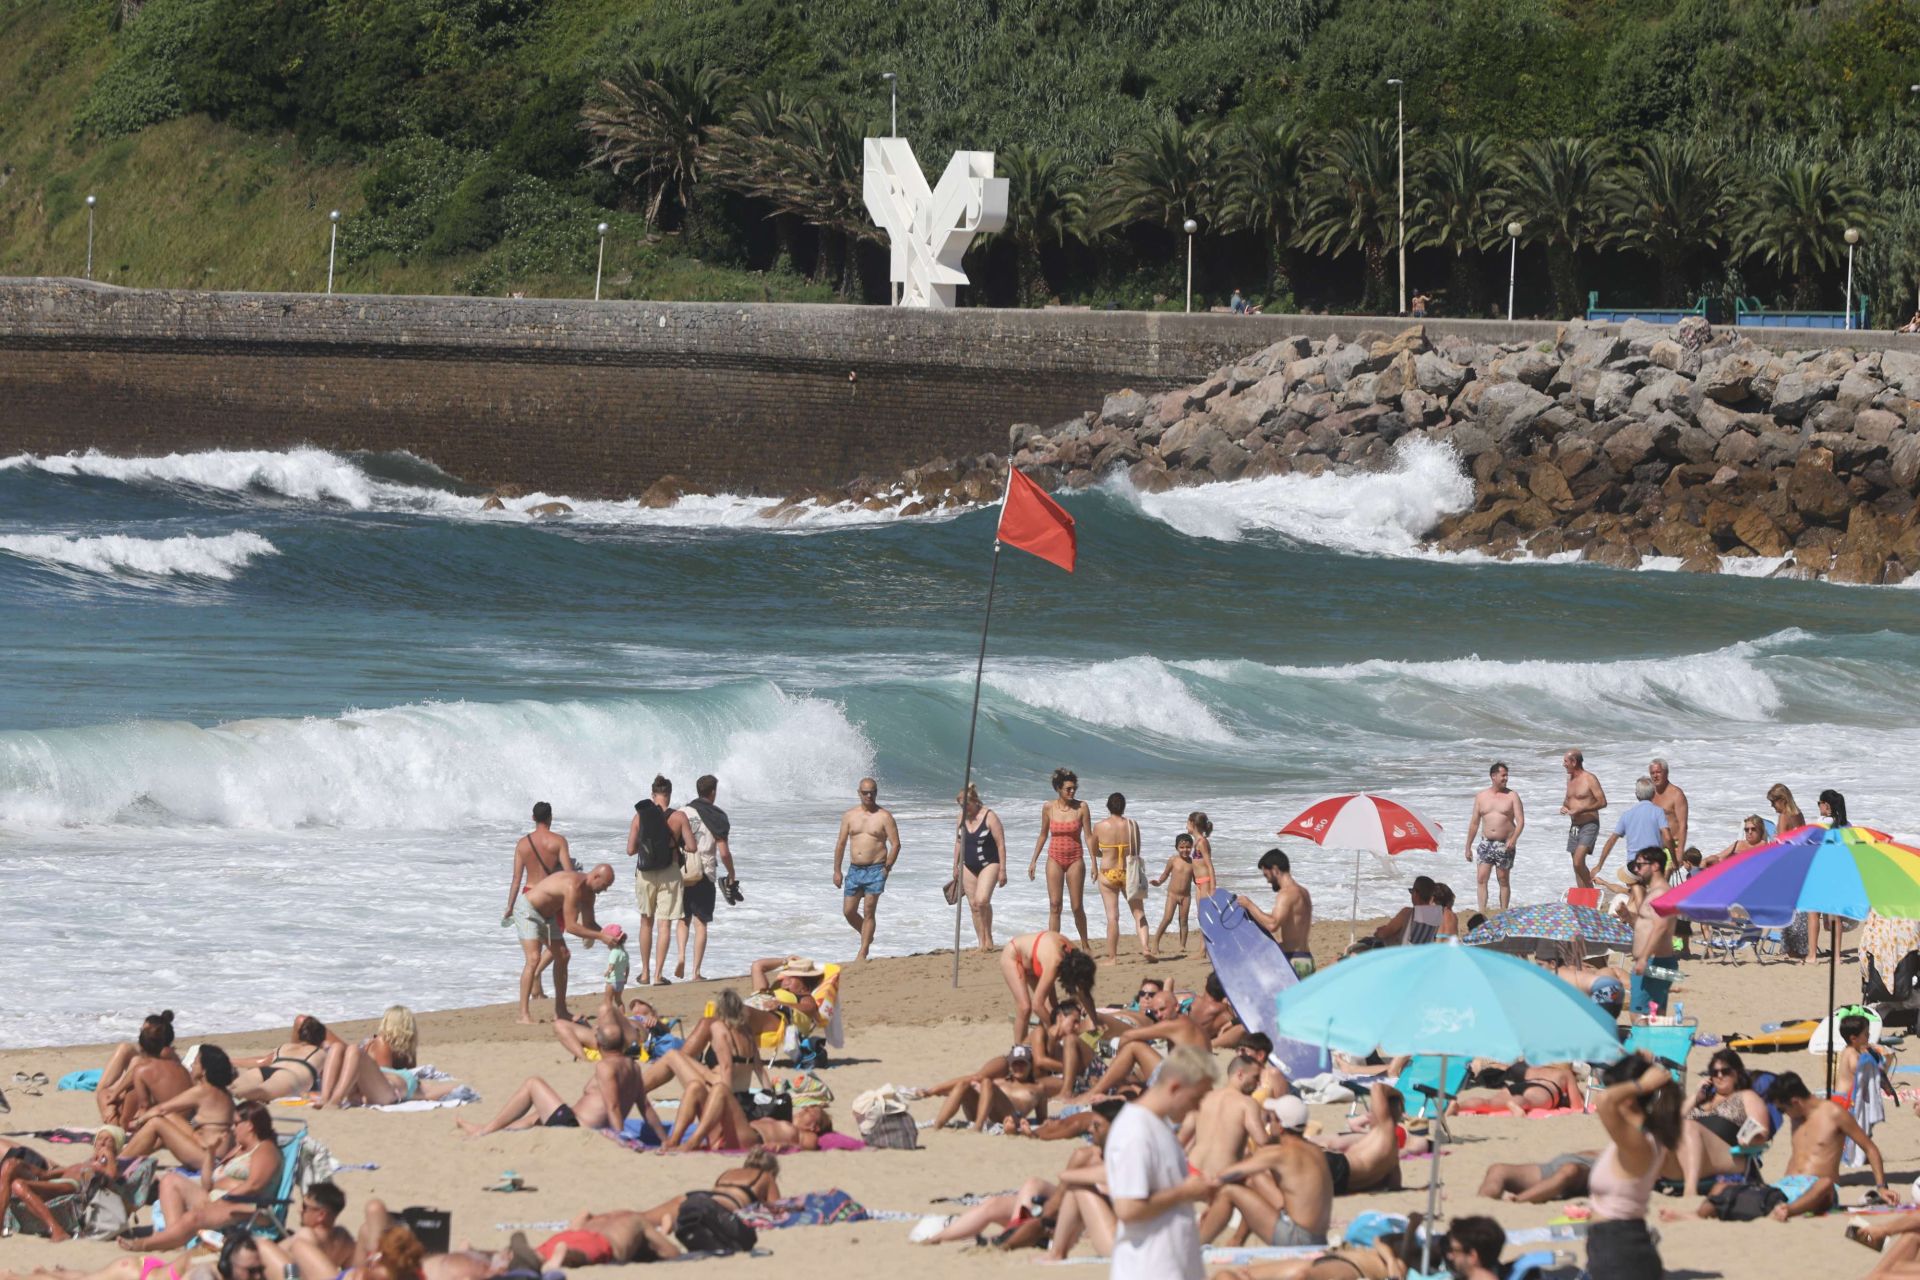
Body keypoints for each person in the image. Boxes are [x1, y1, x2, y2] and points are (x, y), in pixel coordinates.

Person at [1699, 1071, 1886, 1220]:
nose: (1783, 1114)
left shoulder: (1834, 1114)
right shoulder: (1796, 1116)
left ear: (1795, 1102)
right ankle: (1775, 1208)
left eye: (1782, 1109)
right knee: (1723, 1188)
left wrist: (1882, 1187)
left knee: (1826, 1183)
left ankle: (1787, 1210)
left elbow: (1870, 1148)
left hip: (1818, 1189)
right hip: (1785, 1187)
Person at [1106, 1044, 1217, 1280]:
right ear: (1175, 1087)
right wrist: (1185, 1192)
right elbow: (1128, 1208)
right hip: (1148, 1268)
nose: (1197, 1108)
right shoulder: (1135, 1131)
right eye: (1196, 1098)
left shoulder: (1159, 1125)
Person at [122, 1102, 282, 1251]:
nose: (233, 1129)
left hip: (246, 1207)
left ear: (250, 1125)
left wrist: (225, 1198)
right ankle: (173, 1237)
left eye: (236, 1123)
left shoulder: (265, 1150)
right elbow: (207, 1184)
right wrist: (211, 1153)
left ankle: (144, 1244)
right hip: (218, 1197)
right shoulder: (239, 1149)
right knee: (169, 1180)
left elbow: (255, 1185)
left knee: (195, 1216)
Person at [1586, 1052, 1679, 1280]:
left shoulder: (1638, 1144)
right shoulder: (1642, 1136)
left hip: (1619, 1250)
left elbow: (1604, 1100)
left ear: (1627, 1097)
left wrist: (1642, 1084)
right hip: (1621, 1245)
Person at [1198, 1094, 1332, 1247]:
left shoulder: (1280, 1153)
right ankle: (1237, 1241)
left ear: (1280, 1126)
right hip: (1319, 1238)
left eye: (1270, 1120)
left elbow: (1225, 1175)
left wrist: (1211, 1198)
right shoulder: (1316, 1151)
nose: (1268, 1125)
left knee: (1229, 1191)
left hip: (1297, 1239)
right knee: (1256, 1180)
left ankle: (1196, 1246)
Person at [513, 864, 619, 1019]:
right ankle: (524, 1013)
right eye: (604, 885)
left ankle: (561, 1010)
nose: (605, 890)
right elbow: (571, 927)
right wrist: (602, 937)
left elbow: (589, 923)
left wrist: (610, 936)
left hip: (548, 916)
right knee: (534, 958)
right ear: (596, 876)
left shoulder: (590, 894)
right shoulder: (573, 885)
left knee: (563, 955)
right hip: (528, 911)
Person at [502, 801, 576, 1017]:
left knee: (532, 958)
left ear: (533, 818)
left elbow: (516, 879)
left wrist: (509, 906)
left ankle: (526, 1011)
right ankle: (557, 1007)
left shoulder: (522, 844)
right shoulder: (559, 841)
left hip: (528, 895)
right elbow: (569, 874)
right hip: (550, 898)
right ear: (550, 818)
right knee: (558, 952)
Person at [120, 1044, 238, 1171]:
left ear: (204, 1071)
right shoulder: (225, 1094)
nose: (192, 1065)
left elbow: (162, 1109)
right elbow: (204, 1120)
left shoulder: (203, 1091)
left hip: (209, 1158)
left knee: (156, 1122)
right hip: (216, 1155)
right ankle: (132, 1154)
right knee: (170, 1118)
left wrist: (137, 1122)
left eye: (196, 1062)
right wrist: (188, 1127)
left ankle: (118, 1162)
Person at [629, 776, 696, 986]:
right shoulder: (680, 817)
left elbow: (630, 850)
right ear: (670, 794)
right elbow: (693, 847)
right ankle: (658, 975)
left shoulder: (640, 816)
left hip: (645, 873)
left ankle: (645, 973)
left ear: (653, 794)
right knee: (664, 924)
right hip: (670, 872)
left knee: (645, 922)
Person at [1676, 1049, 1772, 1194]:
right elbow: (1673, 1122)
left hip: (1726, 1158)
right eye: (1714, 1073)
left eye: (1725, 1071)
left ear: (1737, 1073)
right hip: (1689, 1156)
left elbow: (1760, 1129)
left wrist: (1750, 1137)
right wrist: (1696, 1096)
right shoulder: (1702, 1102)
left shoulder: (1746, 1096)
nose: (1719, 1076)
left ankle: (1690, 1190)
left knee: (1690, 1126)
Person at [834, 776, 902, 962]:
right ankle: (867, 934)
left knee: (869, 910)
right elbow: (840, 844)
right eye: (865, 793)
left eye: (872, 792)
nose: (869, 796)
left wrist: (887, 868)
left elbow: (895, 844)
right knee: (848, 911)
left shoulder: (884, 816)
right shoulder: (849, 816)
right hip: (854, 870)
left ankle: (863, 952)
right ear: (859, 793)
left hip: (876, 869)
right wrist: (837, 870)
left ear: (876, 793)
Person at [675, 774, 735, 981]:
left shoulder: (682, 812)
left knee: (683, 919)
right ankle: (696, 972)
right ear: (713, 793)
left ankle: (681, 955)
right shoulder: (717, 815)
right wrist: (732, 874)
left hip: (682, 872)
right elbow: (724, 853)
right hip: (705, 873)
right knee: (701, 923)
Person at [1030, 768, 1094, 949]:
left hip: (1075, 859)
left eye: (1074, 788)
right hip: (1054, 858)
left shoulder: (1082, 807)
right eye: (1068, 789)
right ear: (1058, 788)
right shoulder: (1048, 807)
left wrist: (1094, 863)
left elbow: (1089, 836)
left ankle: (1085, 944)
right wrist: (1033, 860)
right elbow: (1043, 834)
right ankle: (1054, 947)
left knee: (1076, 907)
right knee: (1055, 905)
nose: (1072, 792)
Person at [96, 1012, 190, 1129]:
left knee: (105, 1095)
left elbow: (141, 1104)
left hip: (153, 1112)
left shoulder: (160, 1058)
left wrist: (116, 1095)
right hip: (163, 1110)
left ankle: (113, 1126)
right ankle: (111, 1112)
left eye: (143, 1029)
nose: (140, 1030)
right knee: (127, 1051)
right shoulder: (166, 1057)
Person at [1093, 793, 1156, 962]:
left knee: (1112, 917)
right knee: (1139, 913)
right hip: (1128, 872)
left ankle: (1112, 957)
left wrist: (1106, 852)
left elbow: (1094, 851)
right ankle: (1145, 947)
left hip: (1108, 873)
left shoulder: (1099, 826)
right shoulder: (1132, 825)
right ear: (1124, 806)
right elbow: (1136, 851)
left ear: (1108, 806)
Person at [1180, 1055, 1267, 1176]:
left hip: (1193, 1171)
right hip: (1220, 1178)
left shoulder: (1204, 1098)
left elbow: (1182, 1137)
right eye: (1256, 1077)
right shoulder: (1247, 1103)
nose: (1258, 1083)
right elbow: (1262, 1141)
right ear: (1240, 1074)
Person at [1236, 849, 1314, 976]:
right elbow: (1293, 931)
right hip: (1306, 959)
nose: (1267, 881)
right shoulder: (1303, 892)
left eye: (1266, 875)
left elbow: (1273, 925)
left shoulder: (1286, 894)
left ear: (1275, 870)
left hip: (1294, 962)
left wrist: (1249, 905)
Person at [1464, 761, 1524, 914]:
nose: (1506, 778)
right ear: (1493, 776)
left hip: (1505, 844)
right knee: (1481, 878)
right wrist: (1468, 847)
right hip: (1485, 843)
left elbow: (1521, 821)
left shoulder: (1512, 796)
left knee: (1503, 879)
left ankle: (1503, 911)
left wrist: (1513, 839)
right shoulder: (1481, 796)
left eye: (1507, 775)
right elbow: (1474, 823)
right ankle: (1482, 912)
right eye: (1503, 775)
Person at [952, 785, 1007, 951]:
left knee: (982, 900)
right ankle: (982, 943)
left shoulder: (990, 816)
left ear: (975, 801)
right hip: (968, 864)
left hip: (989, 863)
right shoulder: (961, 817)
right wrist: (955, 865)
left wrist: (1003, 870)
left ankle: (989, 937)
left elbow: (1000, 844)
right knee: (973, 905)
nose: (964, 809)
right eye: (961, 805)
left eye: (967, 805)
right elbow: (958, 842)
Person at [229, 1016, 334, 1103]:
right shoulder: (321, 1053)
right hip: (288, 1076)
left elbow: (263, 1061)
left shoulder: (285, 1046)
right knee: (262, 1091)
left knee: (233, 1088)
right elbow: (329, 1078)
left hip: (264, 1070)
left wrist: (229, 1060)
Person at [1624, 847, 1676, 1015]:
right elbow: (1647, 925)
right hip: (1653, 961)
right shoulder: (1654, 892)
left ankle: (1646, 1042)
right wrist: (1628, 916)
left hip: (1654, 962)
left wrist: (1643, 959)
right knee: (1655, 1015)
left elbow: (1661, 927)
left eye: (1640, 865)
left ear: (1655, 866)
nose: (1637, 869)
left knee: (1640, 1016)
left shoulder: (1661, 893)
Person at [1594, 777, 1672, 881]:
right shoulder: (1658, 812)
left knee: (1634, 891)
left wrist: (1599, 865)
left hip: (1633, 866)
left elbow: (1611, 841)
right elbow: (1667, 837)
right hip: (1652, 865)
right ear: (1654, 793)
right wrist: (1674, 860)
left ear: (1636, 795)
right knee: (1657, 890)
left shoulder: (1626, 815)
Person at [1559, 749, 1608, 888]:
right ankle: (1582, 900)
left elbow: (1603, 802)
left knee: (1578, 861)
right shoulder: (1569, 779)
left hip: (1589, 824)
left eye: (1565, 761)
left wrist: (1582, 809)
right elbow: (1569, 800)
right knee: (1576, 865)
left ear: (1574, 762)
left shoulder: (1589, 778)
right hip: (1574, 825)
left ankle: (1591, 893)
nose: (1563, 764)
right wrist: (1564, 807)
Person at [1476, 1150, 1599, 1203]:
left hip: (1583, 1171)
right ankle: (1483, 1202)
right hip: (1553, 1166)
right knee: (1498, 1169)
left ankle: (1517, 1201)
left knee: (1570, 1170)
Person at [1151, 833, 1199, 954]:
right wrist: (1159, 882)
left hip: (1186, 896)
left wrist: (1203, 887)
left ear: (1192, 847)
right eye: (1182, 847)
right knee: (1167, 918)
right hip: (1172, 895)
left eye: (1188, 847)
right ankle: (1155, 942)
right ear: (1176, 847)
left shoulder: (1192, 863)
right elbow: (1166, 874)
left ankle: (1182, 945)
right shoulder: (1173, 860)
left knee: (1183, 921)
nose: (1185, 850)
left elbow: (1196, 880)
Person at [1372, 877, 1441, 947]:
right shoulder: (1438, 915)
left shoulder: (1408, 913)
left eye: (1412, 891)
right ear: (1431, 897)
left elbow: (1384, 934)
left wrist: (1379, 931)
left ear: (1416, 894)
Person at [1648, 757, 1689, 855]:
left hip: (1671, 848)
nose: (1655, 776)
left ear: (1666, 773)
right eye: (1652, 773)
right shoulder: (1650, 794)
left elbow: (1683, 826)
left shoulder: (1676, 794)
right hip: (1653, 848)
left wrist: (1680, 851)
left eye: (1658, 772)